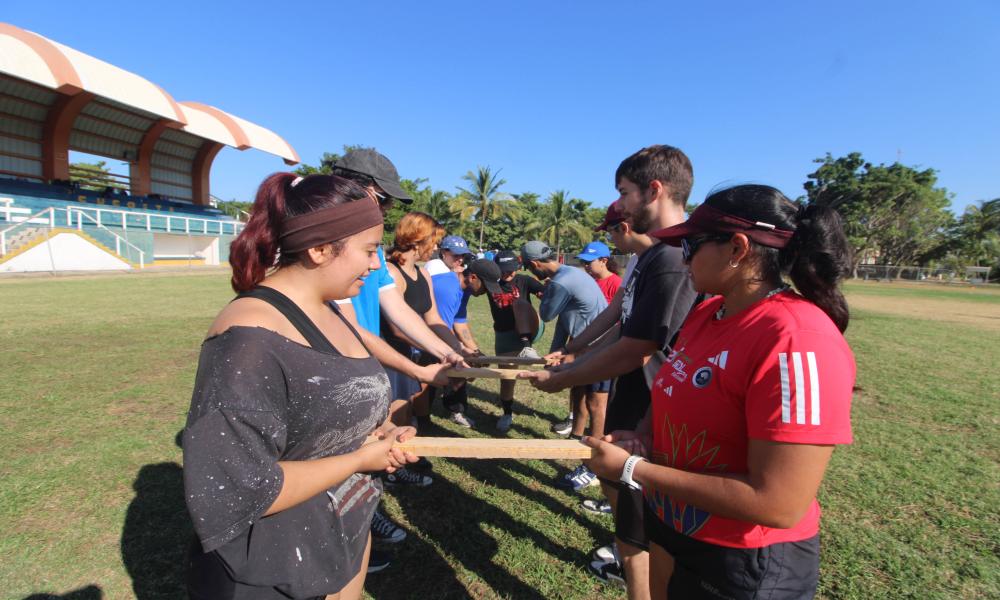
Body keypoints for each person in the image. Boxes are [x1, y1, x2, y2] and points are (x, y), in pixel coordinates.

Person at [583, 184, 855, 599]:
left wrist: (632, 470)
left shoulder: (796, 338)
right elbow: (672, 389)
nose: (683, 256)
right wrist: (644, 437)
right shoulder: (708, 312)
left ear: (737, 248)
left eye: (691, 244)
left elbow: (777, 504)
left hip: (743, 559)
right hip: (676, 527)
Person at [183, 172, 418, 600]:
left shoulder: (328, 309)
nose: (375, 263)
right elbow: (241, 490)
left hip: (337, 538)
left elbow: (320, 419)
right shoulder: (248, 339)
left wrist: (378, 432)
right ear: (320, 249)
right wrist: (361, 458)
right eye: (368, 250)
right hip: (273, 569)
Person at [520, 145, 698, 597]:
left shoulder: (673, 257)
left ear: (653, 191)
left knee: (646, 519)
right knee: (629, 508)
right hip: (638, 397)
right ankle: (630, 568)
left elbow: (638, 348)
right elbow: (621, 316)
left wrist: (563, 376)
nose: (620, 204)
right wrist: (574, 351)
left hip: (658, 406)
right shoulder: (652, 257)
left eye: (624, 193)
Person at [520, 241, 610, 492]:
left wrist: (547, 291)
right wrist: (558, 349)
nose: (531, 273)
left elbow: (547, 314)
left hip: (599, 347)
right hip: (582, 346)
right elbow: (564, 319)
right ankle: (574, 443)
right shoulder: (570, 274)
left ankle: (595, 465)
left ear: (535, 264)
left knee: (596, 403)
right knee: (579, 394)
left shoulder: (560, 282)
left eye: (529, 268)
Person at [487, 249, 546, 432]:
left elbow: (546, 291)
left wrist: (544, 292)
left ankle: (527, 347)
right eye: (504, 269)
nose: (508, 273)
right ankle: (506, 413)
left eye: (512, 269)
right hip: (504, 336)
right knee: (507, 378)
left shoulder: (524, 280)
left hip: (529, 329)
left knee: (518, 302)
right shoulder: (490, 283)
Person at [424, 235, 480, 427]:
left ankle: (453, 409)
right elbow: (438, 322)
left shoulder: (455, 279)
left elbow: (459, 321)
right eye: (455, 255)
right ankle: (421, 418)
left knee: (456, 371)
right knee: (428, 380)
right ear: (443, 252)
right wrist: (454, 348)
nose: (459, 260)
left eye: (462, 256)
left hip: (440, 337)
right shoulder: (442, 278)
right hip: (427, 339)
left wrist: (473, 350)